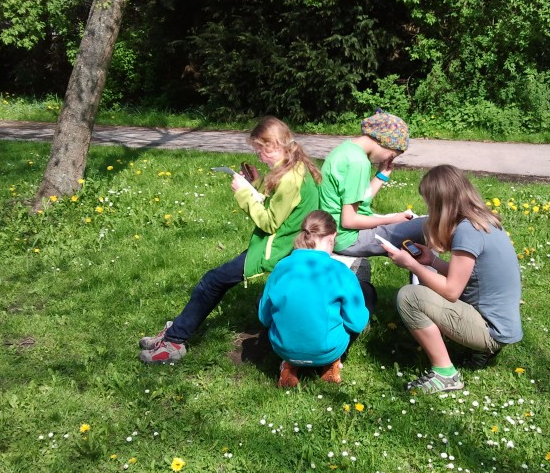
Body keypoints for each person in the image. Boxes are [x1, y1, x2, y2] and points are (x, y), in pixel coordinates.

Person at [139, 117, 321, 363]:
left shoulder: (289, 177)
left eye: (259, 150)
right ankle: (175, 332)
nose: (258, 156)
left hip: (277, 248)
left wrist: (244, 193)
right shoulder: (295, 166)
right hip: (283, 243)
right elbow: (280, 208)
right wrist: (255, 183)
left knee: (211, 281)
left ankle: (174, 342)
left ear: (272, 145)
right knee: (214, 280)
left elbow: (269, 222)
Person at [382, 165, 522, 394]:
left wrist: (413, 265)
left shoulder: (468, 231)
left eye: (429, 203)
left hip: (491, 329)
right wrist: (432, 262)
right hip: (503, 324)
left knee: (409, 297)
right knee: (425, 288)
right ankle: (480, 351)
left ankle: (445, 374)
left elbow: (451, 291)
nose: (428, 208)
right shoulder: (483, 222)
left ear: (440, 203)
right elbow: (469, 276)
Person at [258, 210, 369, 388]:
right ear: (332, 236)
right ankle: (331, 363)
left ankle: (289, 365)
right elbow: (356, 323)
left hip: (283, 348)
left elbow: (264, 318)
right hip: (328, 349)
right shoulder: (340, 271)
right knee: (366, 293)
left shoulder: (281, 266)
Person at [319, 109, 426, 257]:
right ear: (384, 141)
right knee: (428, 226)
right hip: (349, 239)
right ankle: (434, 279)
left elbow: (361, 200)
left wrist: (381, 176)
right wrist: (391, 220)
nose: (388, 160)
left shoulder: (347, 149)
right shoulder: (358, 163)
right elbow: (349, 221)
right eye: (392, 154)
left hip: (336, 232)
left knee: (419, 223)